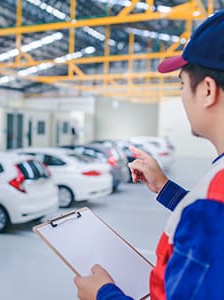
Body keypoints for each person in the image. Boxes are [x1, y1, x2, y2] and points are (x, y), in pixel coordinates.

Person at [74, 10, 224, 300]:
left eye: (182, 83)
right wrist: (166, 188)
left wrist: (103, 295)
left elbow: (212, 225)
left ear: (207, 90)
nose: (182, 95)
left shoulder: (212, 208)